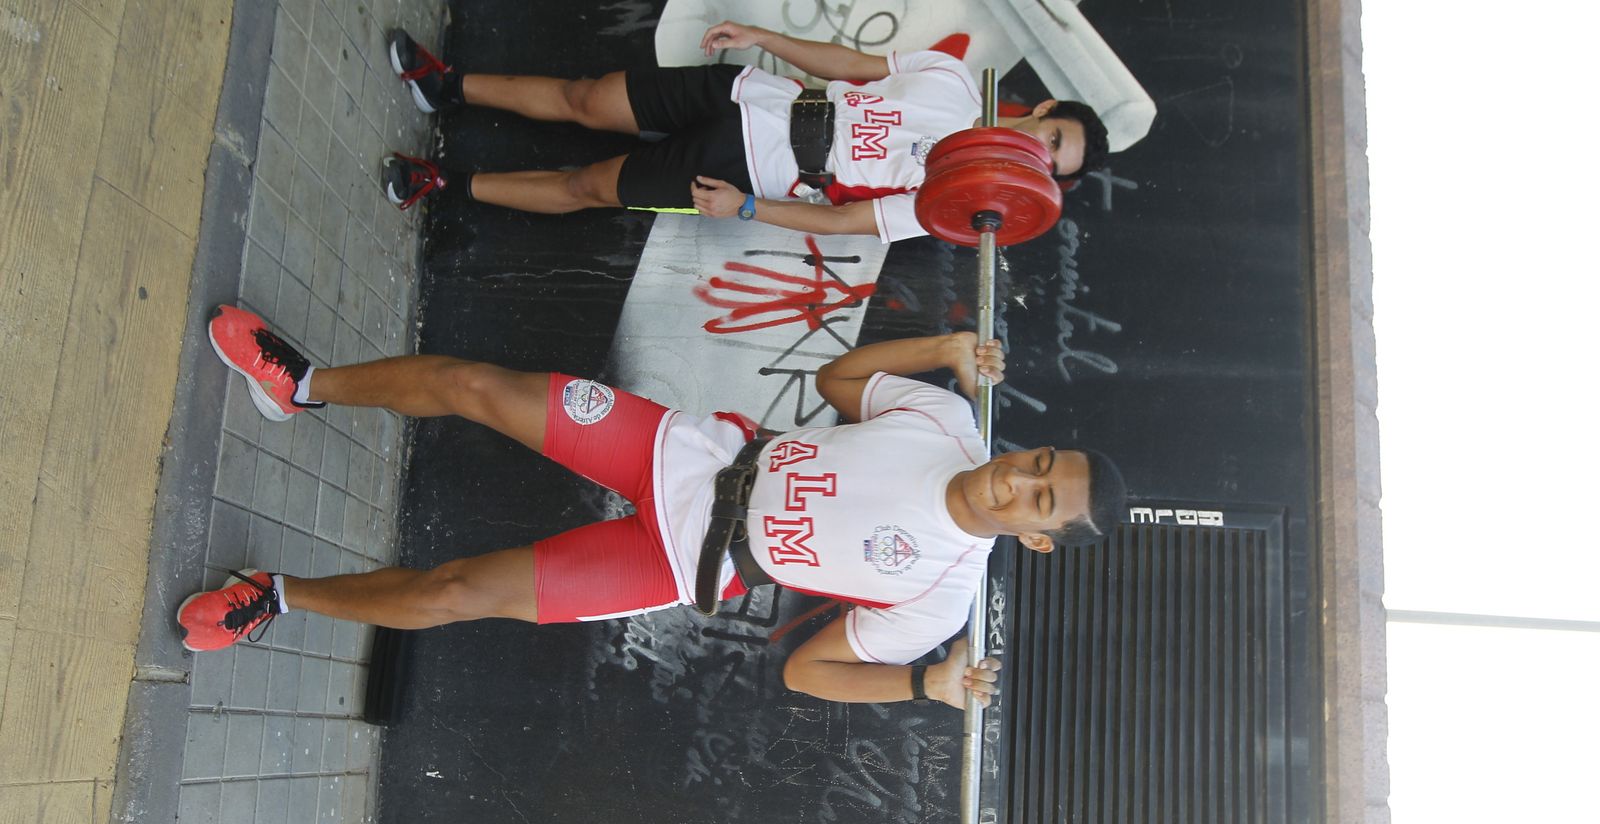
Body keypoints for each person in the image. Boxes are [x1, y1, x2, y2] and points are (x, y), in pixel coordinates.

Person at [179, 305, 1126, 708]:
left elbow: (810, 676)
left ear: (1037, 536)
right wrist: (943, 345)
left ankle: (275, 595)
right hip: (687, 449)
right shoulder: (948, 418)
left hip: (682, 562)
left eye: (1038, 497)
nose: (1019, 477)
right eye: (1039, 458)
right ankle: (304, 383)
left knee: (454, 591)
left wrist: (922, 686)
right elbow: (842, 377)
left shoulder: (941, 598)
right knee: (476, 385)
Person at [379, 20, 1111, 243]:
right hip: (751, 94)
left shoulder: (946, 201)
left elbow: (845, 219)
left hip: (749, 169)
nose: (1039, 152)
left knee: (587, 186)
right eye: (1052, 138)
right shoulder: (951, 81)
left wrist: (747, 208)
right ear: (1042, 116)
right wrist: (764, 37)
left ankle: (443, 183)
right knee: (585, 97)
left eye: (1051, 164)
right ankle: (445, 85)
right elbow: (850, 63)